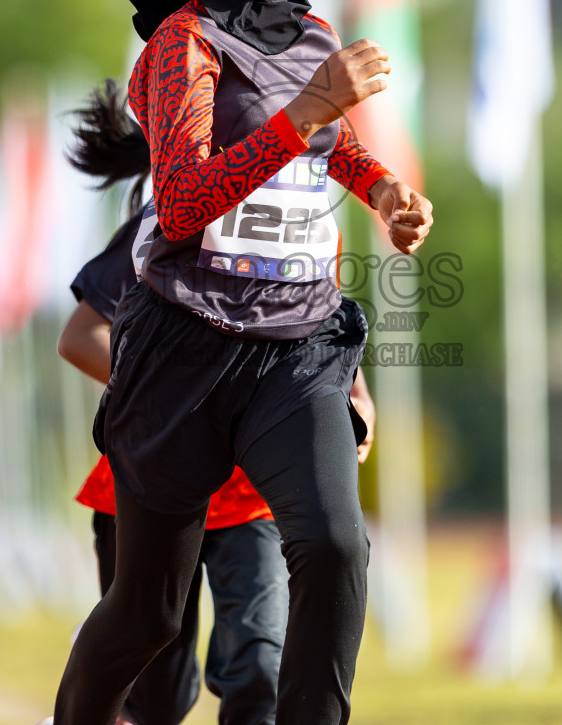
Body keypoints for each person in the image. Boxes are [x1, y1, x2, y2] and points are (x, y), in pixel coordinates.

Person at [48, 0, 432, 725]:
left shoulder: (316, 38)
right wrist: (310, 108)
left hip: (297, 346)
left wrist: (384, 193)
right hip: (182, 347)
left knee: (336, 547)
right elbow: (181, 203)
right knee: (147, 615)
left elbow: (329, 155)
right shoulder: (181, 49)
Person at [56, 82, 376, 725]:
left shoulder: (310, 228)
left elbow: (321, 337)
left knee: (261, 665)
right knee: (156, 695)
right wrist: (177, 392)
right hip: (155, 474)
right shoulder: (167, 227)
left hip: (249, 496)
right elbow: (79, 335)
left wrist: (356, 399)